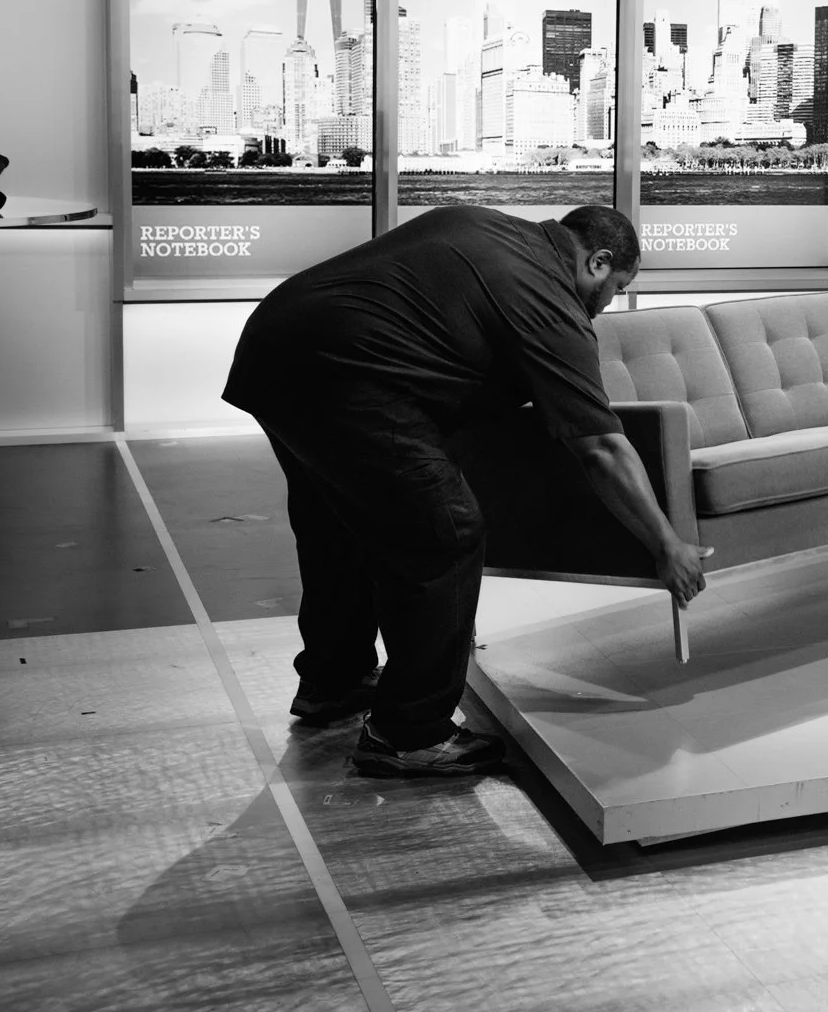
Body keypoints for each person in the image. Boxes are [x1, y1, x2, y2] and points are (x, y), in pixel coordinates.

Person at [222, 204, 707, 778]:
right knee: (446, 535)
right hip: (352, 375)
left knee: (337, 525)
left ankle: (334, 681)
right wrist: (666, 544)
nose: (607, 306)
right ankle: (409, 733)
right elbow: (600, 447)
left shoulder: (484, 226)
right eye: (617, 288)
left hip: (275, 351)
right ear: (597, 261)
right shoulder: (547, 295)